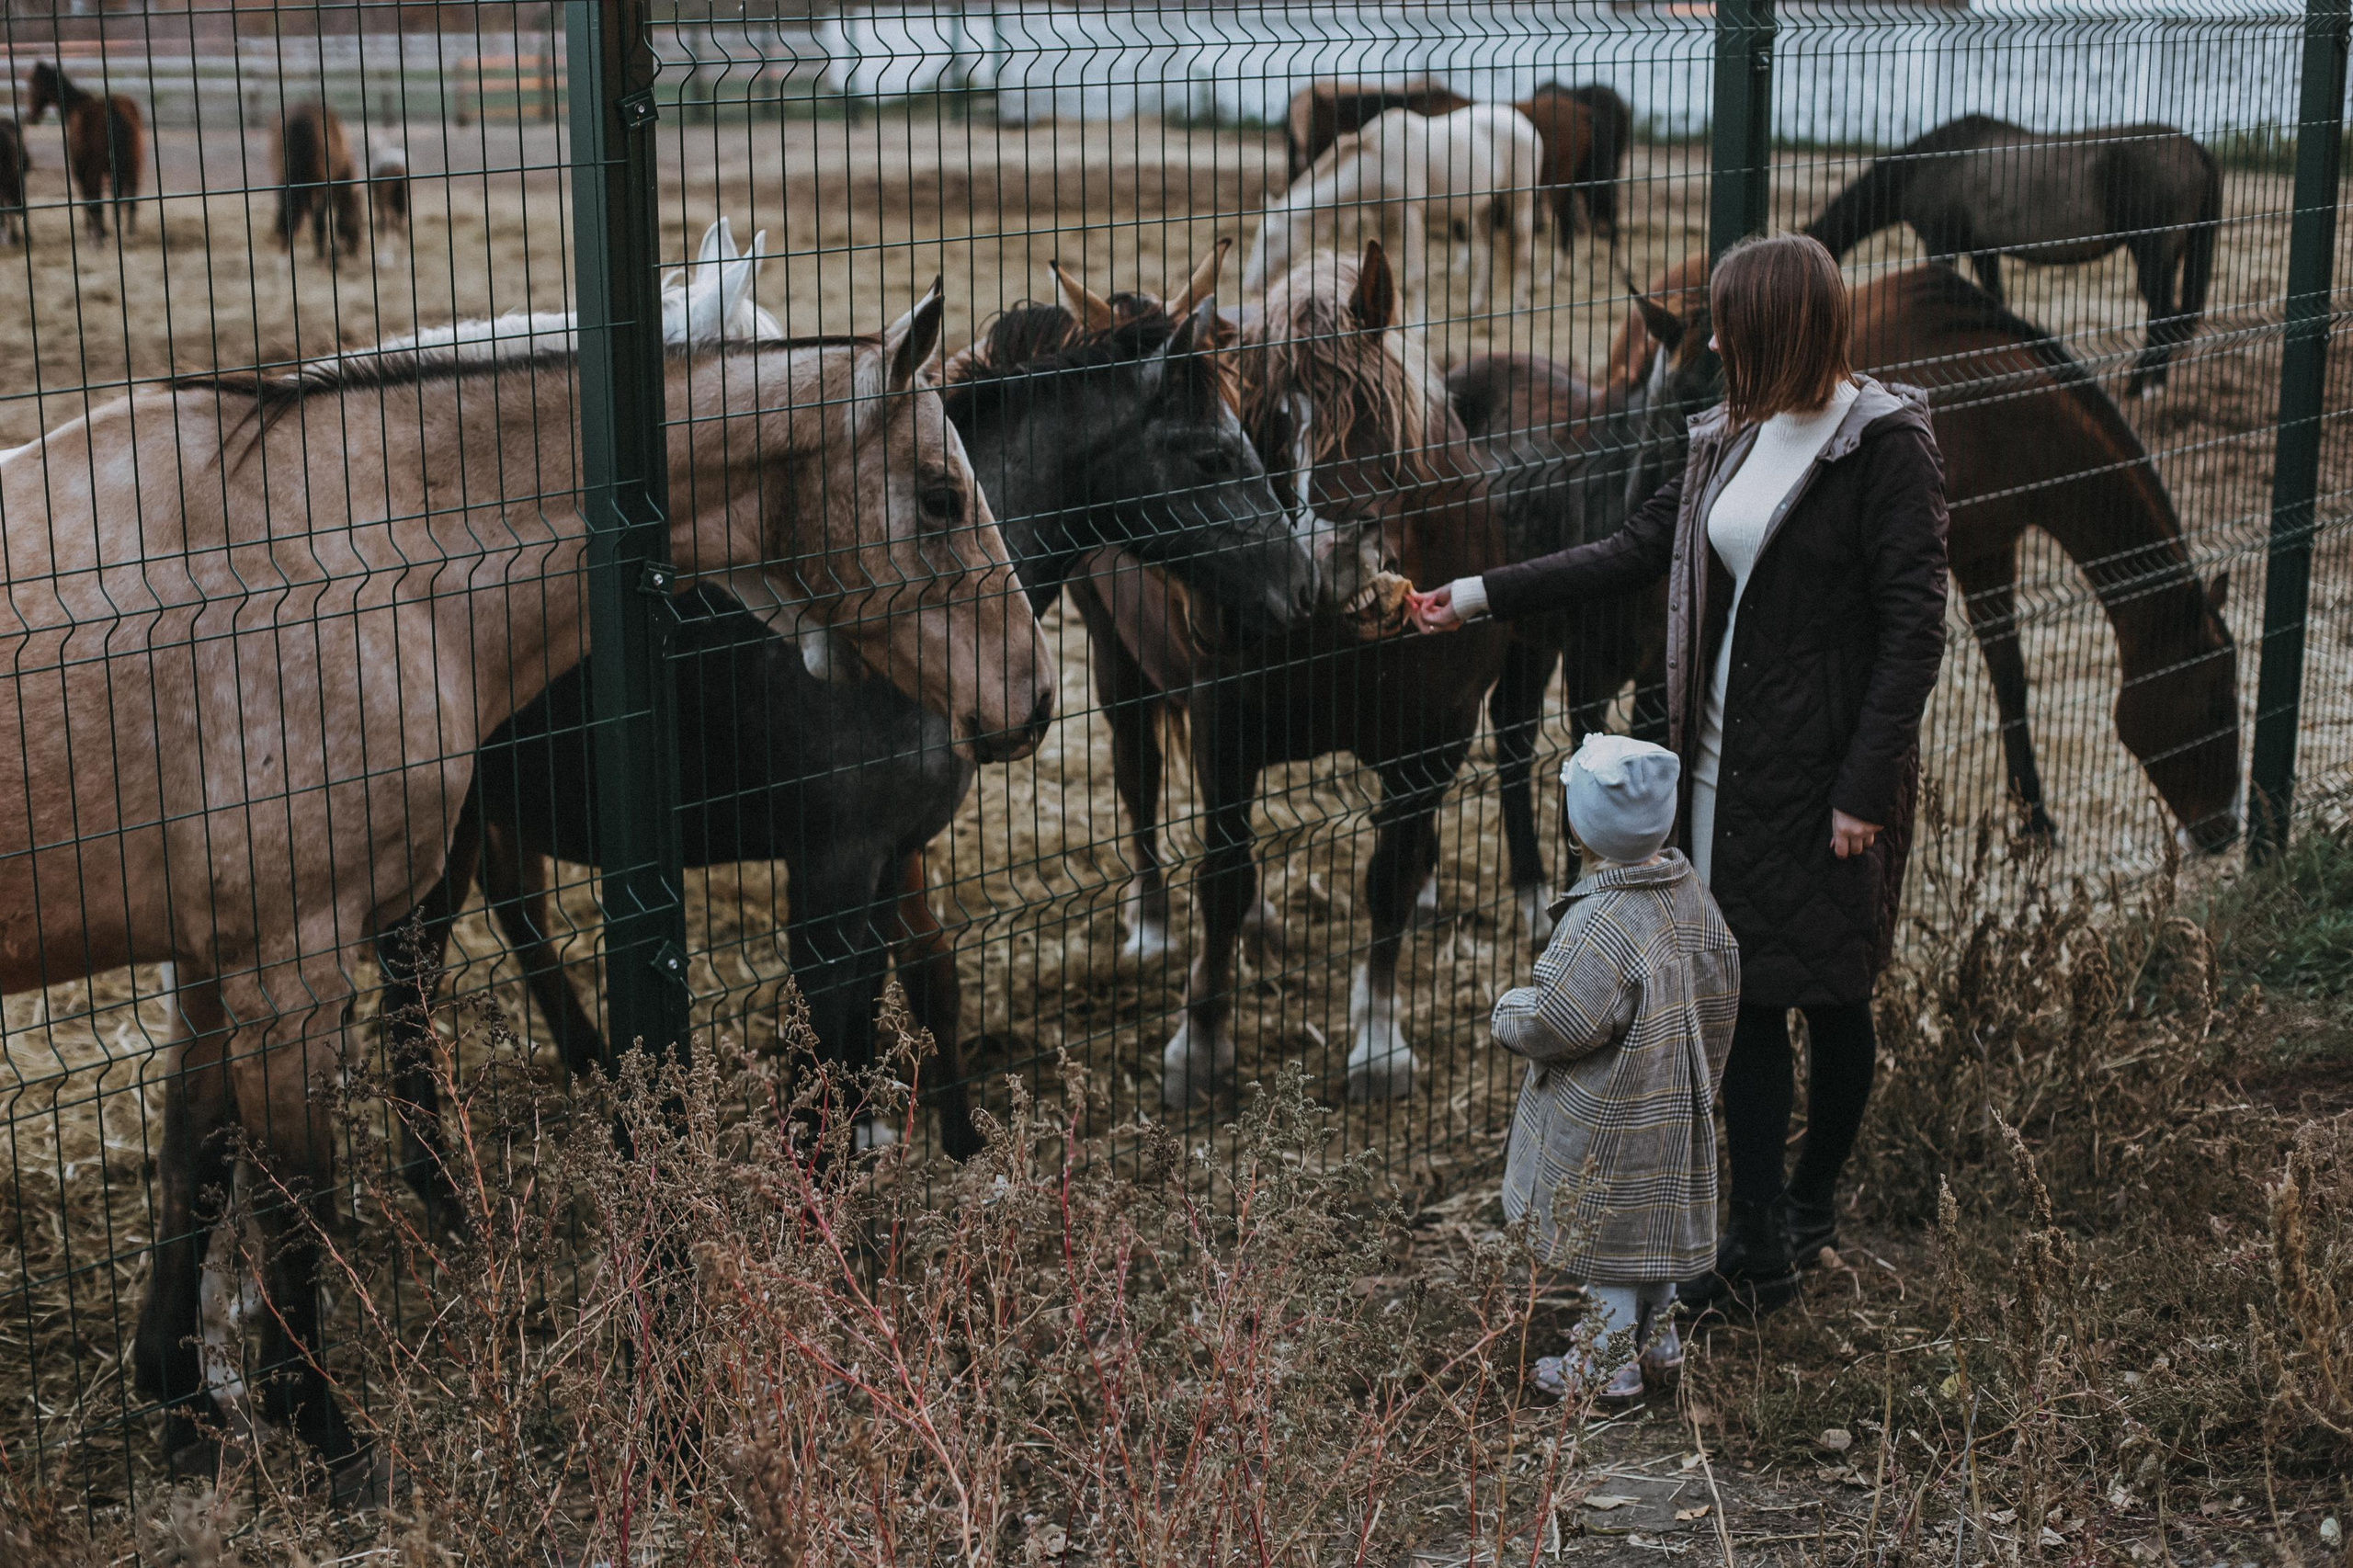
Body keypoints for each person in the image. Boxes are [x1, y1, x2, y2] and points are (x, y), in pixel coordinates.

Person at [1415, 233, 1949, 1319]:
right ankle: (1754, 1237)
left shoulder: (1882, 447)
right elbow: (1625, 550)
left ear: (1778, 328)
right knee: (1747, 1003)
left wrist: (1863, 784)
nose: (1707, 342)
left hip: (1825, 781)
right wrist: (1470, 594)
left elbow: (1914, 630)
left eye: (1726, 325)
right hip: (1715, 770)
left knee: (1835, 998)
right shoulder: (1723, 439)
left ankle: (1806, 1200)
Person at [1493, 733, 1739, 1401]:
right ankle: (1659, 1340)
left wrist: (1509, 1011)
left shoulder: (1600, 921)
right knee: (1650, 1230)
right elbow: (1723, 982)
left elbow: (1561, 1019)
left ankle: (1606, 1361)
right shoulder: (1691, 895)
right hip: (1674, 1097)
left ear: (1580, 828)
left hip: (1610, 1119)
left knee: (1608, 1239)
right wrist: (1701, 1076)